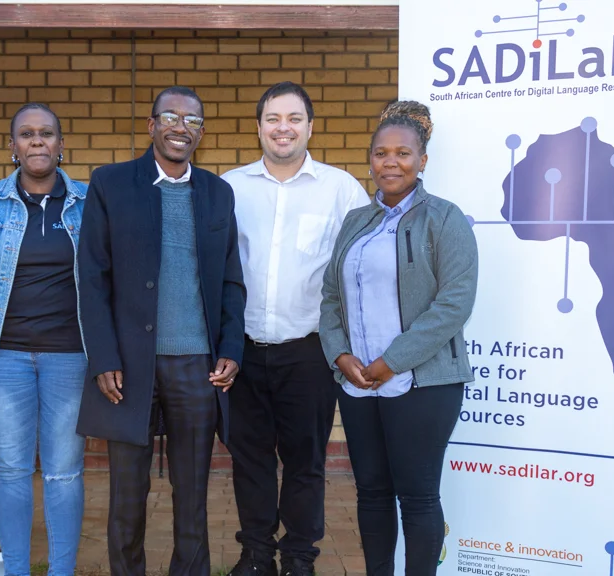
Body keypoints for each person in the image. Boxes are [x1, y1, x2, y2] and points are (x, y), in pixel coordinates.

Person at [76, 86, 246, 576]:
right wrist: (103, 356)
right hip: (129, 366)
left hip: (197, 366)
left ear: (201, 134)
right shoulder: (111, 184)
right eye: (170, 117)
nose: (180, 127)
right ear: (151, 126)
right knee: (127, 495)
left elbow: (232, 279)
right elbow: (91, 278)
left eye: (192, 121)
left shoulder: (218, 192)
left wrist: (231, 346)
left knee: (192, 493)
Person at [319, 101, 478, 576]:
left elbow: (454, 304)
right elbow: (330, 298)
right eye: (381, 153)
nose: (391, 162)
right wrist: (340, 355)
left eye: (403, 153)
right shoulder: (356, 222)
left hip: (423, 383)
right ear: (370, 159)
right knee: (370, 489)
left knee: (418, 494)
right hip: (357, 383)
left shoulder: (445, 220)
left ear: (422, 160)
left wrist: (392, 360)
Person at [220, 81, 369, 576]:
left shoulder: (342, 189)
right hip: (241, 349)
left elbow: (362, 269)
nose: (283, 128)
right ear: (258, 126)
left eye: (294, 119)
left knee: (306, 462)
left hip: (309, 350)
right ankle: (257, 553)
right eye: (272, 119)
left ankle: (300, 556)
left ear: (310, 126)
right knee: (251, 459)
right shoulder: (230, 187)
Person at [0, 103, 89, 576]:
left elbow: (107, 282)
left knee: (64, 471)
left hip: (70, 357)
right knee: (9, 471)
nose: (37, 142)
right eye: (26, 134)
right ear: (12, 147)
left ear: (60, 144)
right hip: (3, 356)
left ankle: (62, 571)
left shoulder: (88, 203)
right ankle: (15, 570)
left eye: (46, 133)